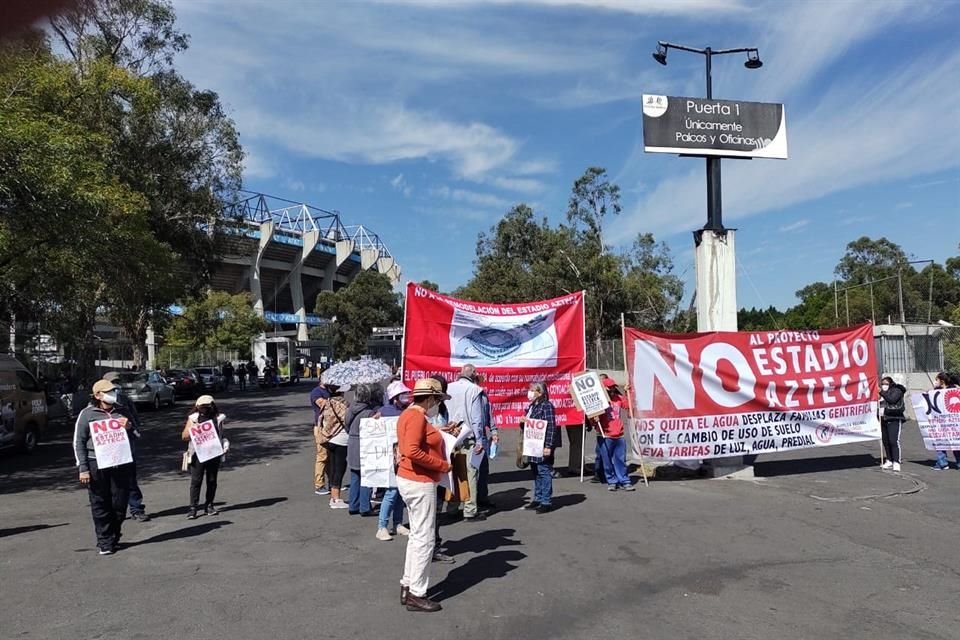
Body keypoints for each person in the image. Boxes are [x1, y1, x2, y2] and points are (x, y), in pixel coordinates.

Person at [396, 378, 453, 612]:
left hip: (410, 479)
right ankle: (416, 593)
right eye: (437, 399)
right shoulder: (417, 416)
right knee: (425, 538)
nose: (438, 403)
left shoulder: (411, 414)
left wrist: (438, 432)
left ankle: (408, 585)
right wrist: (441, 465)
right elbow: (412, 450)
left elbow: (414, 444)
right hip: (419, 481)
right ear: (430, 398)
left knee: (417, 536)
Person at [74, 379, 135, 555]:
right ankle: (105, 541)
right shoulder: (87, 414)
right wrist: (83, 468)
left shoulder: (122, 411)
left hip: (120, 462)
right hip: (96, 463)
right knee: (100, 502)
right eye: (108, 392)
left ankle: (114, 534)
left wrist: (129, 426)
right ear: (98, 395)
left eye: (113, 391)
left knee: (120, 503)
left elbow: (137, 433)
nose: (112, 394)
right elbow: (78, 442)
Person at [102, 371, 149, 522]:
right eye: (112, 383)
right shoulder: (93, 407)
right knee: (108, 483)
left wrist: (130, 428)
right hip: (105, 451)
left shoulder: (124, 401)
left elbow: (135, 423)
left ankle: (136, 509)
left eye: (117, 382)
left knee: (130, 480)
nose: (115, 387)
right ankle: (111, 512)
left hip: (126, 447)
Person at [446, 364, 487, 522]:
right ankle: (470, 509)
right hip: (467, 435)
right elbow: (477, 418)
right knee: (470, 473)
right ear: (474, 374)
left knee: (454, 472)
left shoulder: (449, 387)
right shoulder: (475, 390)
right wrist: (479, 439)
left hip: (450, 433)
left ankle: (452, 506)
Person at [375, 381, 412, 541]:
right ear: (394, 397)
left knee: (400, 492)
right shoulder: (384, 411)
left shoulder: (408, 410)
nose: (406, 397)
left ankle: (398, 523)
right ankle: (382, 526)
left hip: (404, 457)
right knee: (391, 491)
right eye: (402, 395)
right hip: (389, 458)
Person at [181, 395, 226, 519]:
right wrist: (193, 430)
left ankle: (209, 505)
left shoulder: (218, 418)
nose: (205, 408)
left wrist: (224, 445)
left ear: (212, 406)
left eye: (208, 406)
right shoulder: (193, 419)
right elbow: (184, 436)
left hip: (213, 454)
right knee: (196, 481)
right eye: (202, 406)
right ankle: (193, 508)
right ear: (197, 407)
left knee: (212, 481)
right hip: (197, 455)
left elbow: (221, 434)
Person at [519, 381, 561, 513]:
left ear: (540, 392)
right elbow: (528, 424)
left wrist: (548, 446)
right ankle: (538, 498)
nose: (530, 392)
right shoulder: (532, 406)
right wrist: (523, 422)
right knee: (536, 472)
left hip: (542, 444)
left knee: (544, 471)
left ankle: (546, 501)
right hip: (532, 444)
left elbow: (551, 427)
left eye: (533, 390)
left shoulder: (546, 406)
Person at [347, 383, 382, 516]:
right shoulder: (370, 412)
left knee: (355, 475)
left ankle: (353, 505)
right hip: (365, 444)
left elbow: (346, 425)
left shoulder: (350, 409)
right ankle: (364, 507)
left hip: (352, 442)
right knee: (367, 476)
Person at [593, 378, 634, 491]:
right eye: (609, 388)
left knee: (620, 460)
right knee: (607, 462)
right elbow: (592, 418)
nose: (612, 390)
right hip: (605, 435)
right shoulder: (599, 401)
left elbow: (629, 406)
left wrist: (627, 392)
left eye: (613, 387)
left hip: (619, 435)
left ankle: (624, 481)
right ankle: (611, 480)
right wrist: (594, 420)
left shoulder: (618, 398)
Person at [321, 386, 349, 509]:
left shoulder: (327, 402)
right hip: (341, 438)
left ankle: (333, 496)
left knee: (333, 467)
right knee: (340, 468)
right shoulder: (342, 403)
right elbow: (347, 420)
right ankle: (336, 498)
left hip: (329, 437)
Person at [932, 372, 960, 470]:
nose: (935, 382)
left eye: (937, 380)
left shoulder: (954, 389)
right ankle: (942, 462)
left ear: (942, 381)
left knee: (955, 443)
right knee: (940, 442)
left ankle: (959, 462)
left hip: (953, 422)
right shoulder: (936, 391)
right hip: (941, 421)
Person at [879, 375, 907, 472]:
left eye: (886, 384)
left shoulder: (897, 390)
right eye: (882, 384)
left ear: (891, 383)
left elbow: (892, 400)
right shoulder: (881, 393)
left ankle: (896, 461)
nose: (884, 385)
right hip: (883, 418)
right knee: (885, 441)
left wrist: (881, 392)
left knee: (893, 441)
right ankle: (889, 459)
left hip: (894, 417)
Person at [311, 381, 332, 496]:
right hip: (320, 427)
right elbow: (322, 404)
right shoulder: (316, 392)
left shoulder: (330, 390)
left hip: (330, 427)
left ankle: (333, 483)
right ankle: (319, 485)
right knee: (322, 456)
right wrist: (335, 401)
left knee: (330, 456)